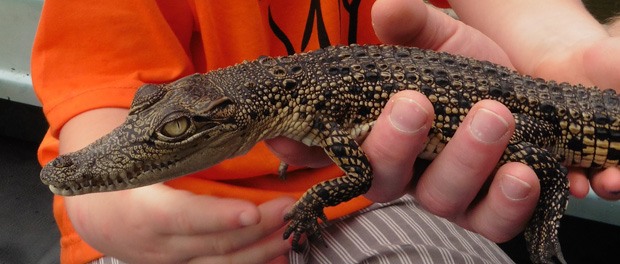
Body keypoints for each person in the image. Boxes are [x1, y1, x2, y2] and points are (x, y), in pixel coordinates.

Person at [31, 0, 619, 263]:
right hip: (161, 237)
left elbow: (361, 173)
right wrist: (111, 212)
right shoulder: (296, 104)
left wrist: (572, 48)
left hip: (379, 208)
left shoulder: (319, 109)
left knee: (525, 169)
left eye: (175, 127)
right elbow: (94, 98)